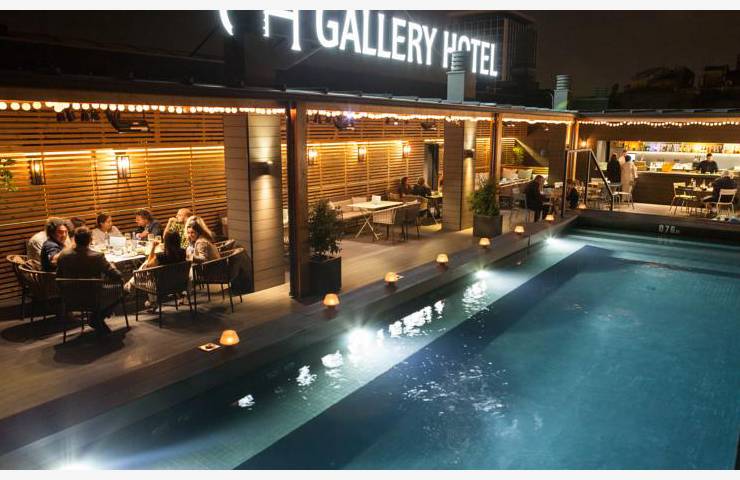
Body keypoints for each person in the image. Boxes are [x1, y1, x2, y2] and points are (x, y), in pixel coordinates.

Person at [57, 227, 122, 335]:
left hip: (70, 297)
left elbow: (58, 276)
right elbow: (117, 275)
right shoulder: (97, 256)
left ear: (75, 240)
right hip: (94, 297)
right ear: (90, 240)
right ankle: (97, 317)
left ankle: (96, 318)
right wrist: (112, 265)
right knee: (123, 290)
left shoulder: (63, 255)